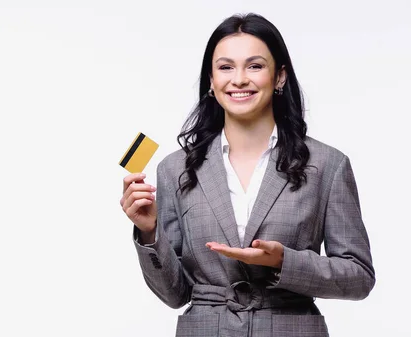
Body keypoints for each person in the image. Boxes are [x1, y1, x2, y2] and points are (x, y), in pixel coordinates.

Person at [120, 12, 375, 337]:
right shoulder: (175, 168)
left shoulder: (328, 164)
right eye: (226, 67)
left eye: (255, 66)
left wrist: (284, 262)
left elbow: (359, 276)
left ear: (279, 76)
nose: (239, 79)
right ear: (211, 80)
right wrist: (148, 231)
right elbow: (175, 294)